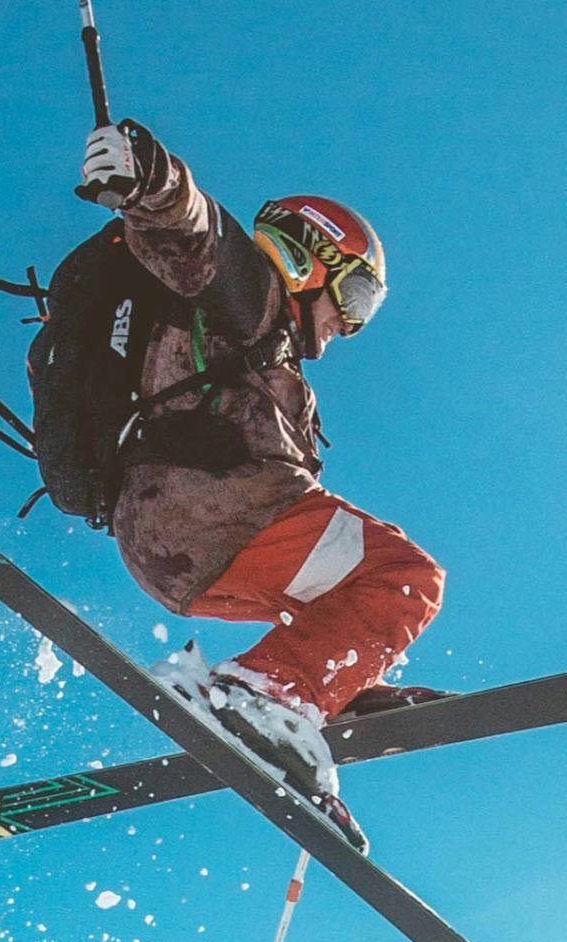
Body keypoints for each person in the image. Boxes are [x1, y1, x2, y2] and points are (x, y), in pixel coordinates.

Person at [75, 120, 443, 851]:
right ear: (311, 258)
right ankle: (268, 694)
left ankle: (319, 686)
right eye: (359, 296)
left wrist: (353, 674)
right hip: (220, 512)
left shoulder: (276, 360)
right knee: (406, 576)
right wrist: (148, 177)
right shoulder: (249, 296)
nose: (352, 325)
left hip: (175, 546)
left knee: (347, 592)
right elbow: (191, 232)